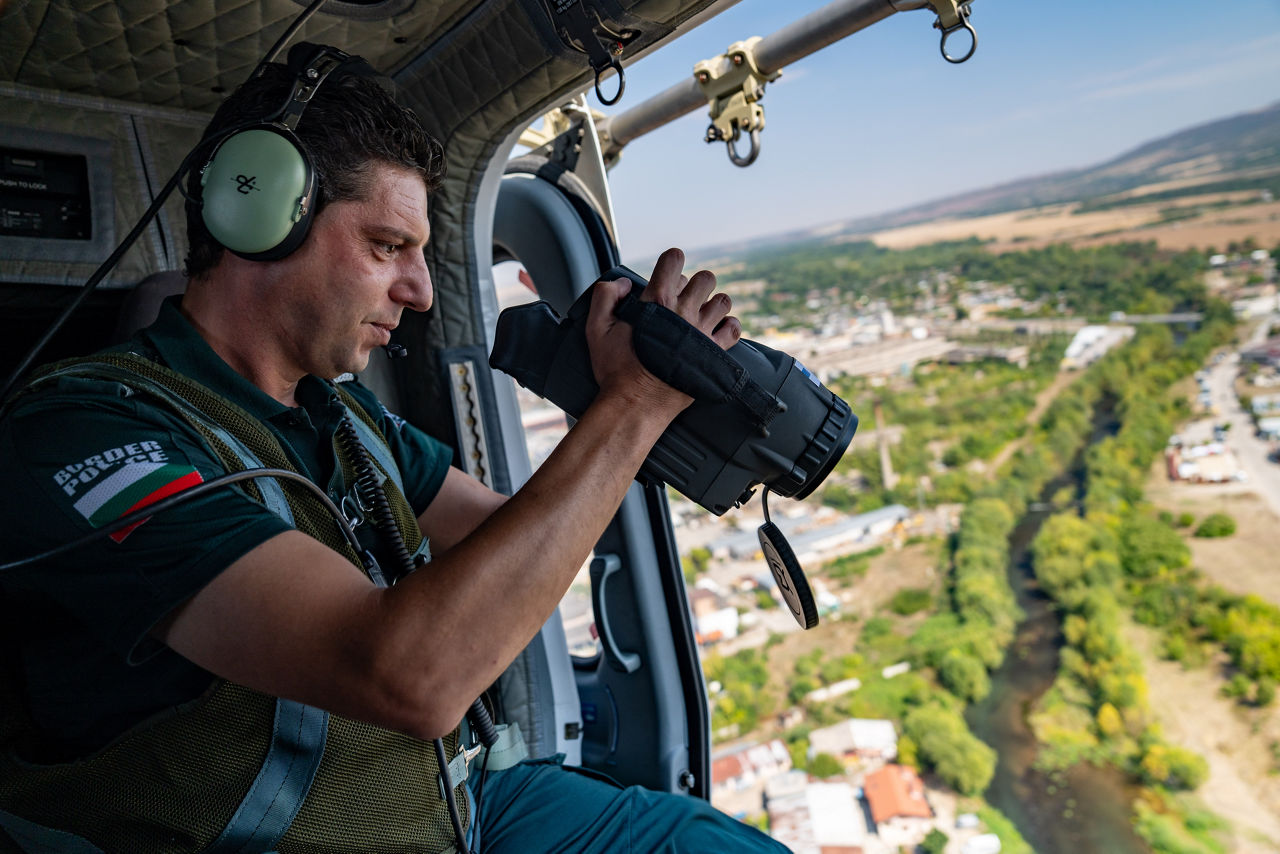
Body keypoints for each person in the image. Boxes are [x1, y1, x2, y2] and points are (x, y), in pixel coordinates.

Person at [0, 45, 789, 854]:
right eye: (386, 247)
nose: (420, 290)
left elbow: (515, 555)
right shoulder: (85, 431)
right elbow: (412, 677)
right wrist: (630, 410)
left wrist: (599, 402)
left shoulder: (343, 417)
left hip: (458, 807)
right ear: (258, 215)